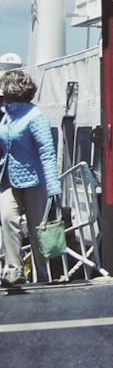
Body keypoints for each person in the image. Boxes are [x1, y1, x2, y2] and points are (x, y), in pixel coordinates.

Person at [0, 69, 62, 285]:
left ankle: (44, 276)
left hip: (35, 179)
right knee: (8, 218)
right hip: (8, 178)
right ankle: (14, 270)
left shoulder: (35, 116)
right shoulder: (7, 115)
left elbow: (47, 151)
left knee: (38, 229)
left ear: (11, 89)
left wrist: (53, 185)